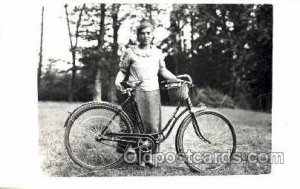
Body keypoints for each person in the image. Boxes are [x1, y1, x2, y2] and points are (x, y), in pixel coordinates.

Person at [115, 20, 181, 167]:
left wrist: (176, 79)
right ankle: (135, 156)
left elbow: (162, 70)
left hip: (152, 93)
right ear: (138, 35)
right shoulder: (130, 51)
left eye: (148, 33)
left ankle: (147, 157)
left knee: (151, 127)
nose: (145, 36)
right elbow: (123, 70)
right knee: (134, 127)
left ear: (152, 35)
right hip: (134, 93)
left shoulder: (157, 52)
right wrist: (117, 81)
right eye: (142, 33)